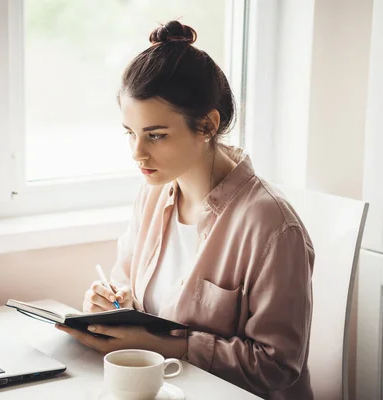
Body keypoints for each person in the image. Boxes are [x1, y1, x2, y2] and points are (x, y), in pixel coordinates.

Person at [55, 20, 314, 399]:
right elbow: (127, 287)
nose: (137, 153)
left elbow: (277, 366)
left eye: (156, 135)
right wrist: (113, 305)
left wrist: (167, 345)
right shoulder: (153, 193)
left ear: (207, 125)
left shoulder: (272, 227)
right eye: (131, 133)